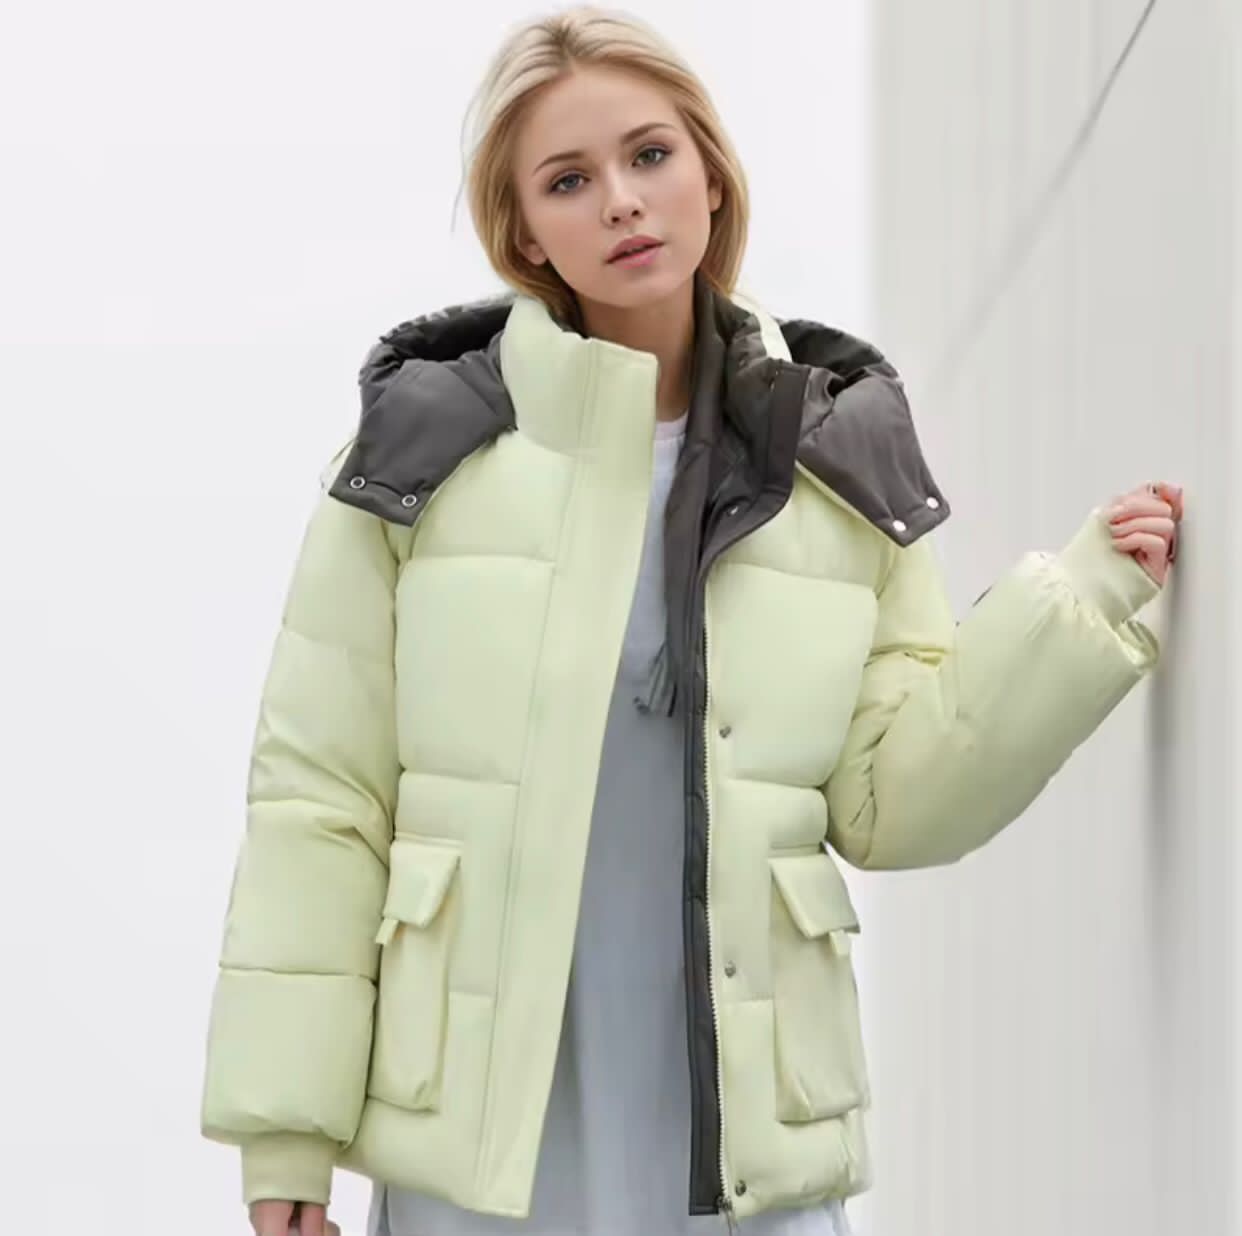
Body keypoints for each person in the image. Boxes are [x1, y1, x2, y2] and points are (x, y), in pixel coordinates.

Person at [197, 7, 1185, 1236]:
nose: (621, 200)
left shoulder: (834, 458)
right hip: (488, 1135)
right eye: (569, 180)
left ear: (711, 177)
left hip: (743, 1127)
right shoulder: (420, 458)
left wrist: (1076, 603)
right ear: (526, 233)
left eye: (650, 155)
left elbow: (892, 799)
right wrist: (287, 1139)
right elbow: (321, 800)